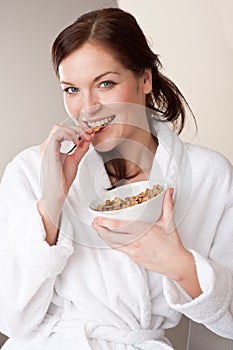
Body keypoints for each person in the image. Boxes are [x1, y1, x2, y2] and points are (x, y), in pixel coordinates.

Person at [0, 7, 232, 350]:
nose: (87, 107)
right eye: (71, 90)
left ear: (145, 79)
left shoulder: (207, 175)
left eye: (105, 83)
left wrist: (178, 264)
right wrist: (51, 202)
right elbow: (12, 318)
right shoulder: (30, 171)